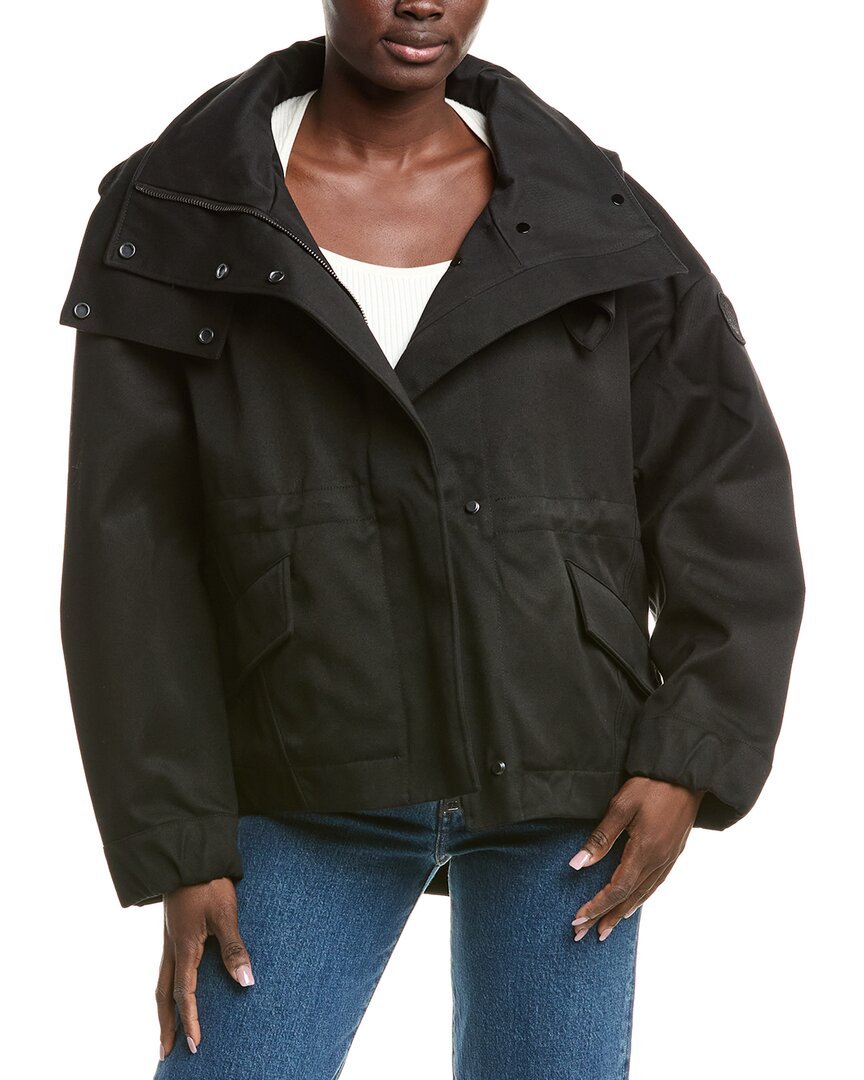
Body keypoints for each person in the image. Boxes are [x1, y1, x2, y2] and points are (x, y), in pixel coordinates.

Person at [57, 2, 806, 1077]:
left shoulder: (591, 209)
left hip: (566, 782)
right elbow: (129, 554)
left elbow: (725, 487)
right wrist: (178, 840)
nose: (422, 2)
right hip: (304, 773)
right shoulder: (178, 214)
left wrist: (689, 754)